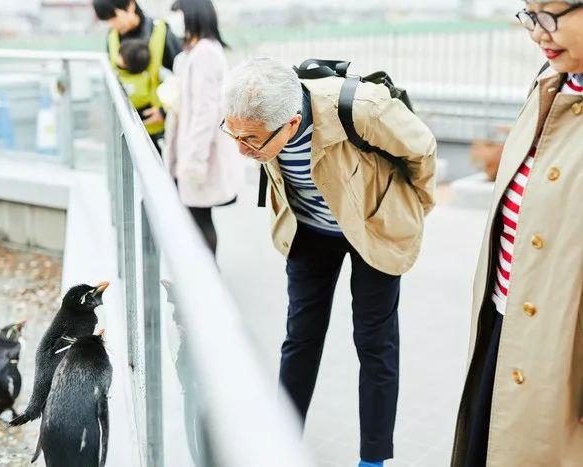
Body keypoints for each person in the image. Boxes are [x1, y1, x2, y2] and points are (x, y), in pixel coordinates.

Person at [222, 58, 437, 467]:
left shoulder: (363, 109)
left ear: (292, 122)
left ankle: (373, 459)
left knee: (374, 343)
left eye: (250, 140)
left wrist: (411, 207)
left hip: (371, 229)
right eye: (233, 134)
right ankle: (281, 443)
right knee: (299, 337)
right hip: (310, 231)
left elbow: (422, 149)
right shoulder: (264, 114)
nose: (241, 149)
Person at [451, 2, 583, 466]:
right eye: (529, 15)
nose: (536, 33)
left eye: (550, 15)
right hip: (504, 330)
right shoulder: (551, 82)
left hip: (563, 364)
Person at [162, 0, 239, 257]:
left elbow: (205, 111)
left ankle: (207, 282)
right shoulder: (196, 51)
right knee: (196, 218)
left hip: (200, 149)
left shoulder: (205, 53)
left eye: (178, 14)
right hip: (195, 146)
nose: (174, 20)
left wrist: (194, 160)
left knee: (198, 219)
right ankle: (205, 280)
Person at [92, 0, 182, 152]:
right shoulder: (112, 37)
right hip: (126, 129)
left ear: (130, 5)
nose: (112, 24)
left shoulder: (160, 31)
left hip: (161, 132)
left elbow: (183, 78)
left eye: (113, 16)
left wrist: (165, 111)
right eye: (106, 20)